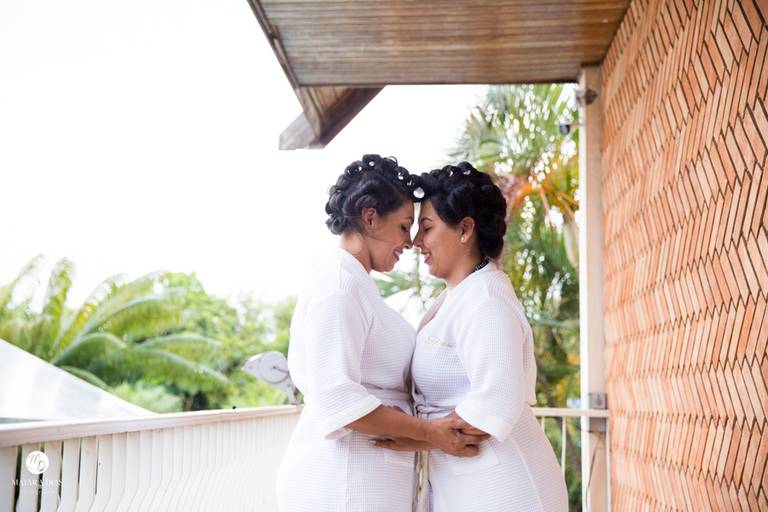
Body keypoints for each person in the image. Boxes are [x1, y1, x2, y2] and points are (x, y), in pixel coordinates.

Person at [276, 155, 486, 512]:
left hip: (363, 476)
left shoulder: (357, 286)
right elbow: (337, 400)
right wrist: (432, 435)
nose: (411, 241)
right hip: (342, 481)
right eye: (405, 226)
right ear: (370, 217)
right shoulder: (338, 287)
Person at [374, 162, 568, 511]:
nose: (417, 241)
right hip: (469, 485)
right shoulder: (459, 296)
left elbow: (498, 401)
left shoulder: (487, 301)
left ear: (465, 230)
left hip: (506, 489)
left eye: (428, 228)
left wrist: (417, 436)